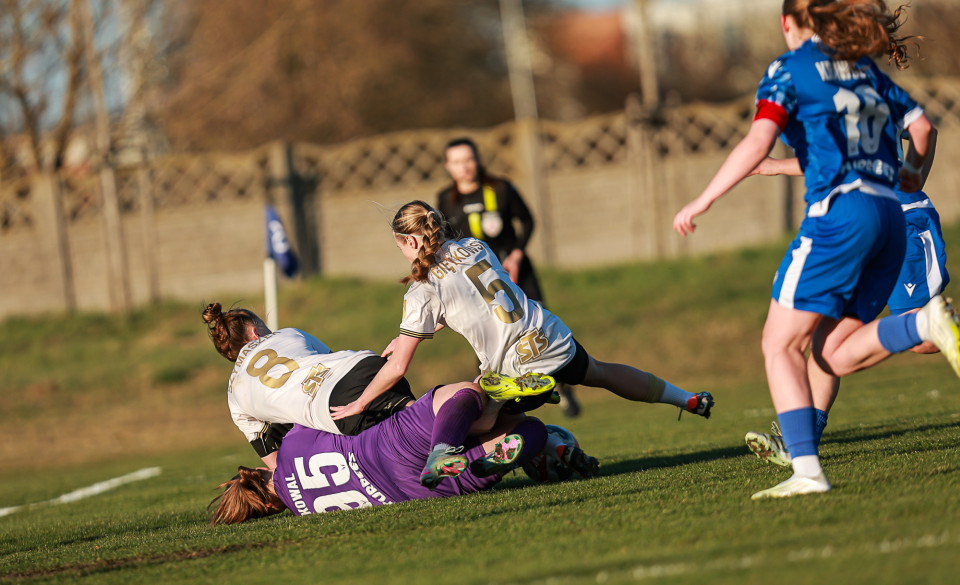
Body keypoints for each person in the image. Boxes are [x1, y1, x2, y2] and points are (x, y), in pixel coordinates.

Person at [672, 0, 958, 500]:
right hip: (890, 215)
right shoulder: (862, 68)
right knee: (832, 354)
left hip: (842, 216)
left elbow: (757, 141)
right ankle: (921, 324)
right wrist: (911, 176)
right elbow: (923, 128)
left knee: (779, 344)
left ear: (787, 22)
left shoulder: (789, 67)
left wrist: (703, 199)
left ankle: (807, 470)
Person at [329, 200, 714, 485]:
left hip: (510, 364)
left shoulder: (421, 290)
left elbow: (398, 367)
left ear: (410, 241)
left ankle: (465, 452)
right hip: (549, 336)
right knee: (600, 372)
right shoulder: (475, 247)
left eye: (398, 245)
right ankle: (687, 399)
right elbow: (473, 302)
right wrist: (406, 336)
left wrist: (359, 403)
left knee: (477, 416)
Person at [744, 129, 949, 466]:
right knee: (826, 341)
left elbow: (923, 131)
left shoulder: (845, 101)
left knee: (922, 339)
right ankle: (801, 444)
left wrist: (774, 165)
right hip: (855, 231)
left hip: (899, 223)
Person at [208, 382, 571, 525]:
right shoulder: (289, 449)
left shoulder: (307, 512)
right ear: (258, 474)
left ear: (269, 508)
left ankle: (494, 458)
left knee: (530, 430)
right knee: (465, 393)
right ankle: (445, 447)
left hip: (419, 491)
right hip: (385, 447)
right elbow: (330, 414)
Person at [436, 137, 582, 418]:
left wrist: (516, 254)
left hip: (515, 272)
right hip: (479, 283)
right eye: (457, 162)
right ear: (447, 166)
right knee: (488, 337)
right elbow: (445, 241)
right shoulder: (445, 199)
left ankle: (564, 387)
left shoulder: (500, 189)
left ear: (478, 160)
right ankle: (499, 405)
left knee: (540, 329)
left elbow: (527, 220)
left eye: (468, 159)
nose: (464, 167)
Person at [202, 302, 415, 470]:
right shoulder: (288, 333)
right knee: (415, 419)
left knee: (415, 433)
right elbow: (330, 359)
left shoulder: (233, 393)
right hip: (367, 364)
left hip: (336, 401)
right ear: (254, 332)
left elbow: (273, 461)